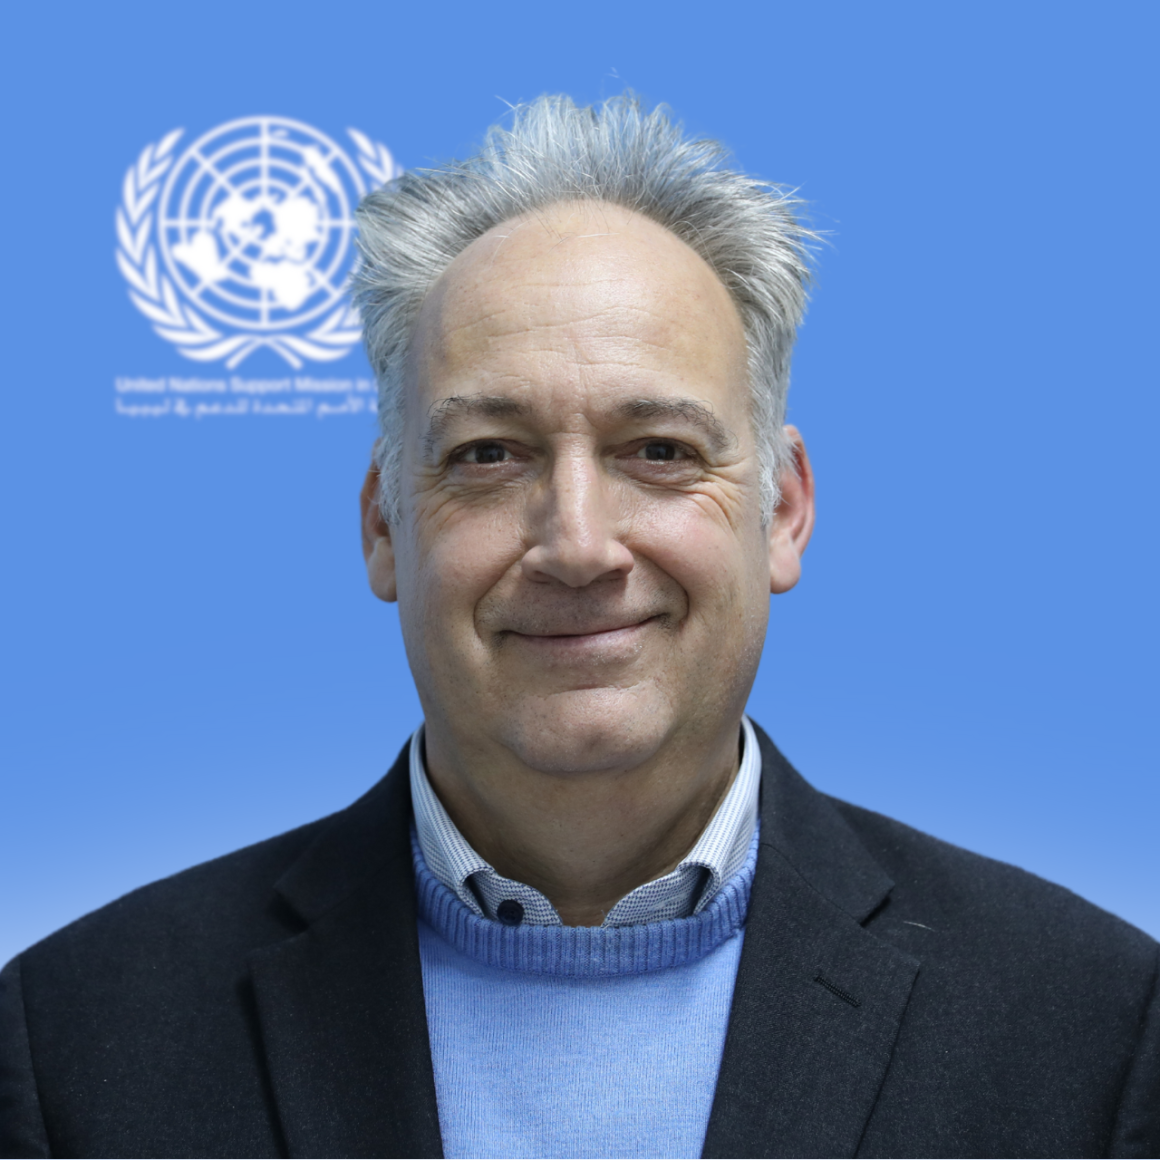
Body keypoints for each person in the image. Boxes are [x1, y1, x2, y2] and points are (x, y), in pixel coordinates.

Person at [1, 95, 1156, 1160]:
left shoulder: (1091, 1026)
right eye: (486, 455)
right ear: (383, 524)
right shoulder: (74, 1036)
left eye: (657, 450)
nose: (578, 542)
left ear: (782, 511)